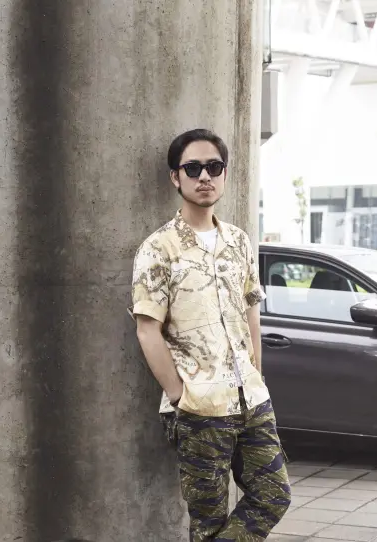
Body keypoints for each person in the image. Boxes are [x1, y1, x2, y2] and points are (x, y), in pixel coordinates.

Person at [131, 129, 290, 541]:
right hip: (199, 406)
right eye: (193, 168)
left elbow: (251, 310)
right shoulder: (158, 248)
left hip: (250, 397)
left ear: (224, 174)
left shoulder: (239, 241)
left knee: (273, 496)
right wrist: (179, 395)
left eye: (214, 167)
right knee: (208, 523)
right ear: (176, 177)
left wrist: (257, 374)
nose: (205, 176)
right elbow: (147, 329)